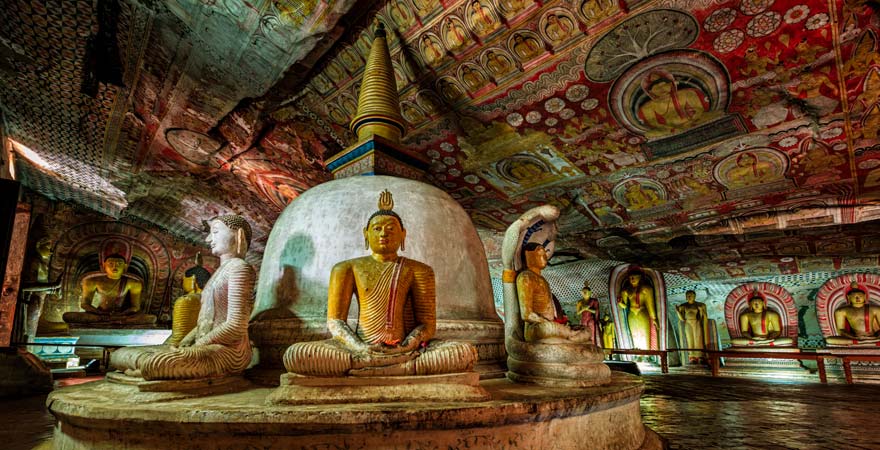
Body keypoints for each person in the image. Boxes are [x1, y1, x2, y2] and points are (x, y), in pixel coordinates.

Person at [283, 190, 478, 377]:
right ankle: (397, 367)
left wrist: (407, 345)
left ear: (403, 234)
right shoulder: (346, 268)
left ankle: (371, 367)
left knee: (463, 352)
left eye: (391, 228)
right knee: (297, 355)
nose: (384, 233)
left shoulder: (419, 270)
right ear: (366, 234)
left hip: (404, 348)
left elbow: (426, 325)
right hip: (359, 349)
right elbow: (335, 322)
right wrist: (360, 347)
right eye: (377, 228)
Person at [110, 215, 256, 380]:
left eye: (215, 232)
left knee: (156, 363)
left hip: (228, 352)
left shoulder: (240, 269)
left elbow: (236, 326)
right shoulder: (220, 272)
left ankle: (147, 368)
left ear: (238, 235)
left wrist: (197, 345)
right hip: (204, 346)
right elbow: (205, 322)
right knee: (121, 354)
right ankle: (146, 368)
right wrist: (185, 342)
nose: (209, 239)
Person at [62, 240, 155, 326]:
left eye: (119, 264)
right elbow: (85, 304)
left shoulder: (133, 283)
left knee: (151, 318)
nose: (115, 267)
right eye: (111, 264)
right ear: (104, 265)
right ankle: (111, 320)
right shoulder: (92, 281)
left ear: (125, 267)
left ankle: (115, 320)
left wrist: (121, 314)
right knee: (68, 316)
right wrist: (100, 313)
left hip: (122, 315)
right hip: (99, 314)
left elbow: (135, 307)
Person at [516, 243, 592, 344]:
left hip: (553, 325)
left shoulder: (543, 280)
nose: (545, 257)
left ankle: (569, 338)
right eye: (541, 254)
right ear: (529, 255)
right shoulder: (525, 277)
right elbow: (526, 315)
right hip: (538, 327)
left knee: (587, 330)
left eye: (545, 254)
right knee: (548, 328)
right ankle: (570, 338)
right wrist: (547, 322)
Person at [636, 69, 710, 137]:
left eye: (664, 85)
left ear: (671, 84)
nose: (662, 89)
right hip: (670, 130)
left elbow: (700, 110)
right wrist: (672, 129)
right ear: (650, 92)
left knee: (710, 116)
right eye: (656, 88)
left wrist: (690, 122)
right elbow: (655, 125)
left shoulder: (688, 93)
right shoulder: (647, 108)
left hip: (692, 123)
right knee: (649, 134)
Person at [166, 254, 211, 346]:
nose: (182, 283)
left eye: (184, 280)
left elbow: (178, 339)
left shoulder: (186, 301)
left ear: (193, 280)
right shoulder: (212, 298)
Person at [617, 270, 657, 350]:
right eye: (630, 278)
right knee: (634, 334)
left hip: (642, 311)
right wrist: (620, 303)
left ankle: (646, 353)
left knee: (644, 334)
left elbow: (650, 305)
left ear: (640, 277)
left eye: (634, 277)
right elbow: (625, 306)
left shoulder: (646, 289)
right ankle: (638, 353)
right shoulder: (626, 290)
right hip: (631, 313)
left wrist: (654, 318)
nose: (632, 279)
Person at [675, 290, 708, 363]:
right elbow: (682, 319)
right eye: (688, 296)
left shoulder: (700, 305)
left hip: (696, 322)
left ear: (694, 296)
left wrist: (701, 311)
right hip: (688, 323)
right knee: (690, 339)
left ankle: (700, 356)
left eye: (691, 295)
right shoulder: (683, 306)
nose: (689, 297)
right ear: (686, 297)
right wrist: (677, 312)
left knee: (698, 339)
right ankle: (692, 356)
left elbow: (701, 318)